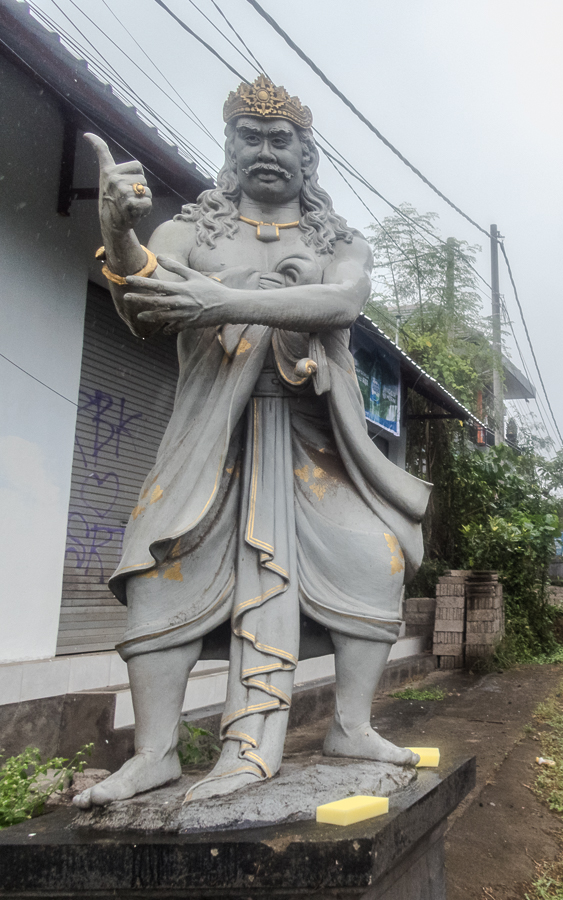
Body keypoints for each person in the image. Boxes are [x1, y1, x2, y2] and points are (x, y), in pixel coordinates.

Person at [74, 76, 429, 808]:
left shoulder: (340, 241)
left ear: (308, 156)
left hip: (313, 442)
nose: (267, 152)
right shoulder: (189, 231)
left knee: (378, 555)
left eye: (283, 140)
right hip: (214, 438)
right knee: (157, 570)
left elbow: (341, 301)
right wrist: (117, 233)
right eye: (251, 137)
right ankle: (155, 752)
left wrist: (220, 300)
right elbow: (145, 306)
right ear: (230, 148)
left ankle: (351, 725)